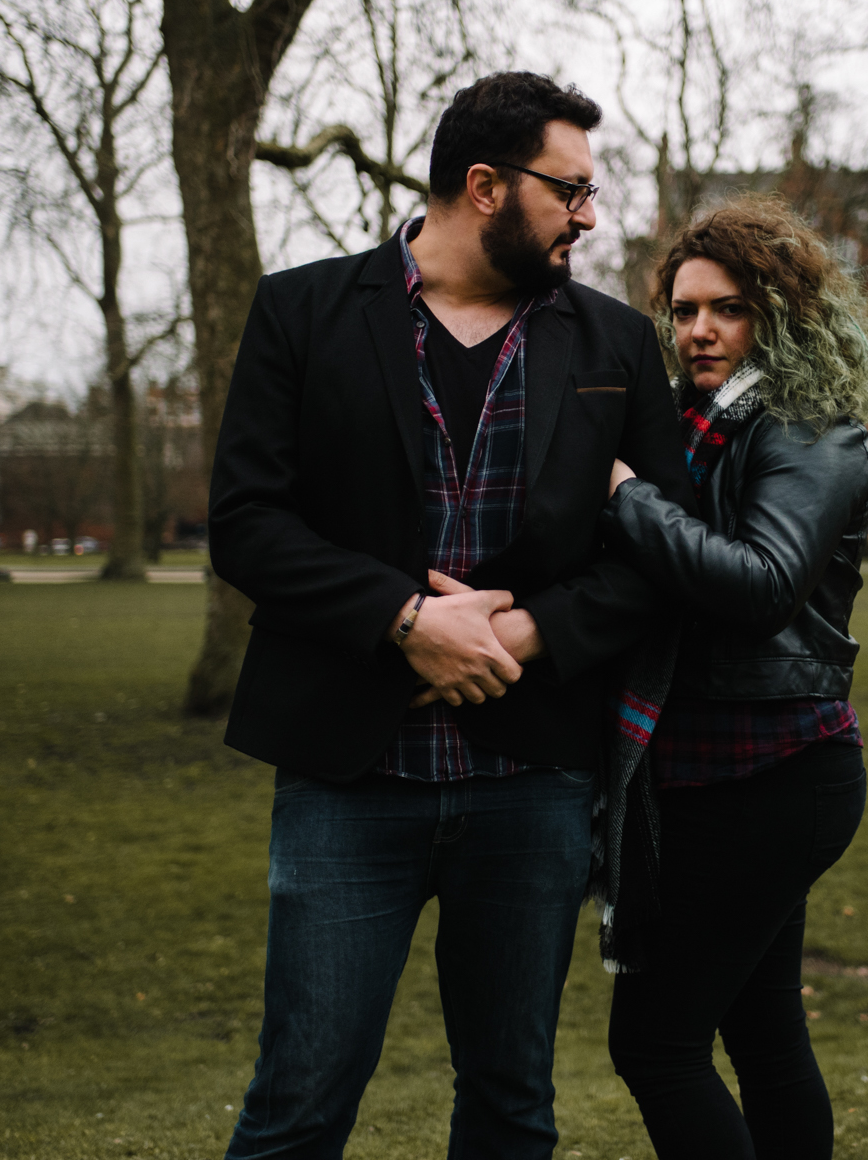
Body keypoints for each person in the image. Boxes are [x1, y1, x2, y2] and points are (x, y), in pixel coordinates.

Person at [206, 71, 697, 1159]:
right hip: (346, 777)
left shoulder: (615, 344)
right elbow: (244, 521)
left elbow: (658, 554)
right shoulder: (302, 311)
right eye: (568, 189)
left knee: (512, 1102)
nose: (589, 213)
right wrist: (399, 616)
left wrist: (529, 632)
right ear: (483, 185)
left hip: (533, 785)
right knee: (297, 1099)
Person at [597, 196, 868, 1159]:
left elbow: (761, 585)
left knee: (654, 1043)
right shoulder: (702, 423)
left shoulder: (811, 431)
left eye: (727, 308)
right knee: (764, 1035)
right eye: (683, 311)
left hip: (771, 771)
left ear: (780, 313)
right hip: (715, 769)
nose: (700, 330)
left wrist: (628, 498)